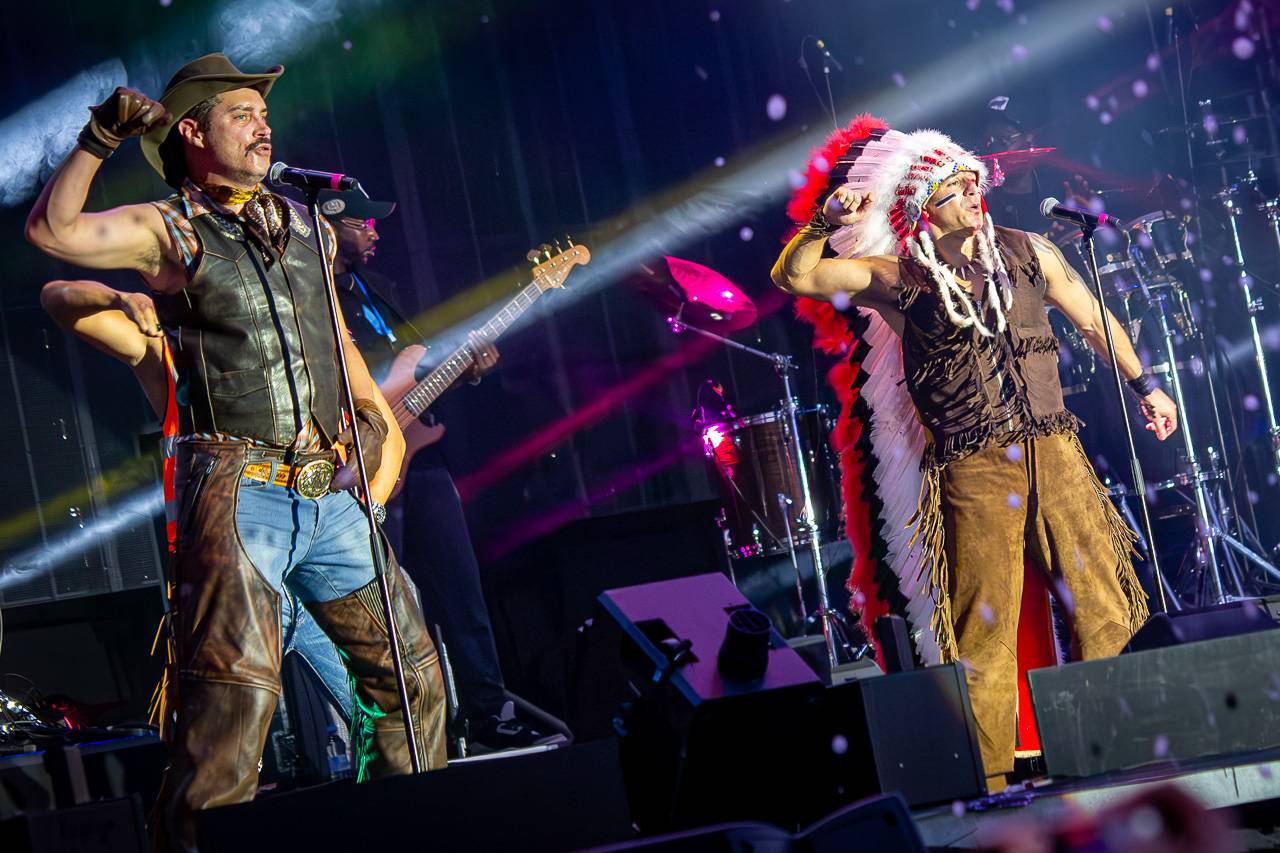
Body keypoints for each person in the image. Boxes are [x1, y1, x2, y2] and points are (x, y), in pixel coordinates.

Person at [24, 54, 446, 849]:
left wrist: (369, 414)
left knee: (413, 677)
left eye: (265, 112)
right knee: (233, 714)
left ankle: (403, 834)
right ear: (192, 132)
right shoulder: (172, 228)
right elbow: (55, 235)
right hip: (239, 491)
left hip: (326, 491)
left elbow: (334, 336)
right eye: (242, 113)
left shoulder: (306, 224)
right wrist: (99, 138)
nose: (263, 126)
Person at [771, 122, 1178, 789]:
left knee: (1103, 604)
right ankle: (987, 784)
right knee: (984, 631)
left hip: (1054, 449)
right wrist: (826, 220)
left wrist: (1147, 385)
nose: (970, 192)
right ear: (922, 207)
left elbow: (1092, 319)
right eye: (953, 187)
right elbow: (798, 275)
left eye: (971, 182)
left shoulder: (1030, 250)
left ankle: (1118, 757)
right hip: (975, 465)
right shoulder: (899, 274)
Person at [39, 277, 357, 749]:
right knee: (223, 750)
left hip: (317, 560)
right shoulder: (169, 355)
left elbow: (371, 428)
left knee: (382, 713)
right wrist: (119, 298)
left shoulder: (297, 346)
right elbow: (57, 298)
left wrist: (368, 502)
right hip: (230, 576)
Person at [320, 189, 566, 752]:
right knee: (382, 602)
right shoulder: (309, 296)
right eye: (364, 223)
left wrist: (469, 367)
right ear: (330, 225)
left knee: (461, 589)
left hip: (420, 457)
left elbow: (415, 372)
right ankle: (393, 732)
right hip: (357, 459)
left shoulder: (380, 291)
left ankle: (488, 715)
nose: (376, 232)